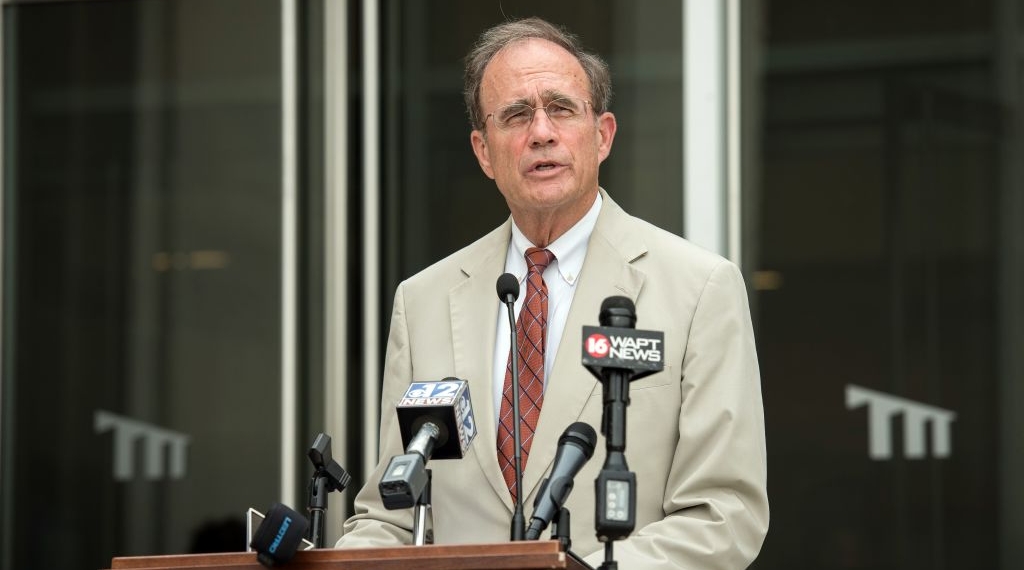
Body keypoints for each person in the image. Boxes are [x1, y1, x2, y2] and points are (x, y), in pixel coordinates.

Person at [336, 17, 768, 569]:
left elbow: (723, 513)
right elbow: (392, 517)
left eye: (561, 109)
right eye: (517, 115)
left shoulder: (699, 288)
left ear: (602, 135)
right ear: (483, 151)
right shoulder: (423, 301)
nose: (541, 132)